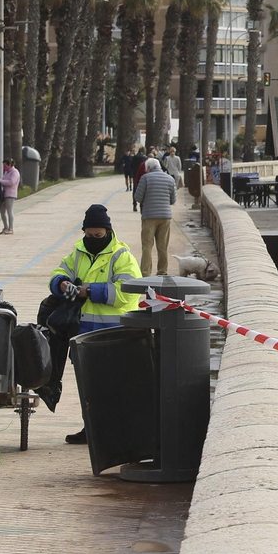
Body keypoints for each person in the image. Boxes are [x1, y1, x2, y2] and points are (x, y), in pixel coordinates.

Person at [49, 204, 143, 443]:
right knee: (88, 386)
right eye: (89, 235)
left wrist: (88, 291)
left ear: (108, 232)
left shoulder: (122, 256)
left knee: (114, 385)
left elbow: (128, 292)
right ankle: (91, 429)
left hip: (114, 333)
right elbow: (59, 271)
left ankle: (114, 432)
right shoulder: (79, 252)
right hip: (82, 333)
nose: (93, 239)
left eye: (98, 236)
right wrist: (60, 283)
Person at [135, 156, 177, 275]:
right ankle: (162, 271)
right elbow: (173, 200)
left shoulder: (145, 178)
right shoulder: (170, 179)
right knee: (163, 246)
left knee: (147, 245)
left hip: (149, 216)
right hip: (165, 216)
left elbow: (138, 197)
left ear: (148, 168)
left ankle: (145, 272)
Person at [0, 157, 20, 234]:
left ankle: (11, 228)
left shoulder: (15, 172)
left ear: (10, 165)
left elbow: (11, 182)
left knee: (9, 211)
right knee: (2, 211)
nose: (4, 167)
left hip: (10, 194)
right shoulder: (6, 173)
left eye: (5, 166)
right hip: (4, 194)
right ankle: (5, 226)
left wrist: (1, 181)